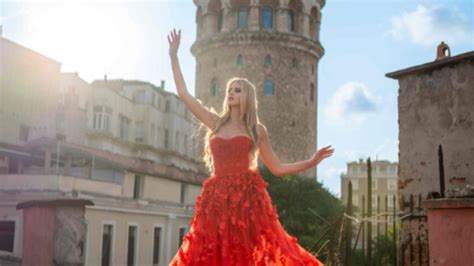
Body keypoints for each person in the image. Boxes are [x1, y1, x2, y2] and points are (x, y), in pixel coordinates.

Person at [167, 28, 334, 266]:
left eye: (237, 90)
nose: (231, 94)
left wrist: (310, 161)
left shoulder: (257, 130)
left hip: (246, 198)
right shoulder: (215, 122)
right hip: (215, 198)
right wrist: (174, 55)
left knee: (245, 253)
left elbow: (277, 168)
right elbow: (184, 94)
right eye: (229, 90)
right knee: (209, 251)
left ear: (247, 96)